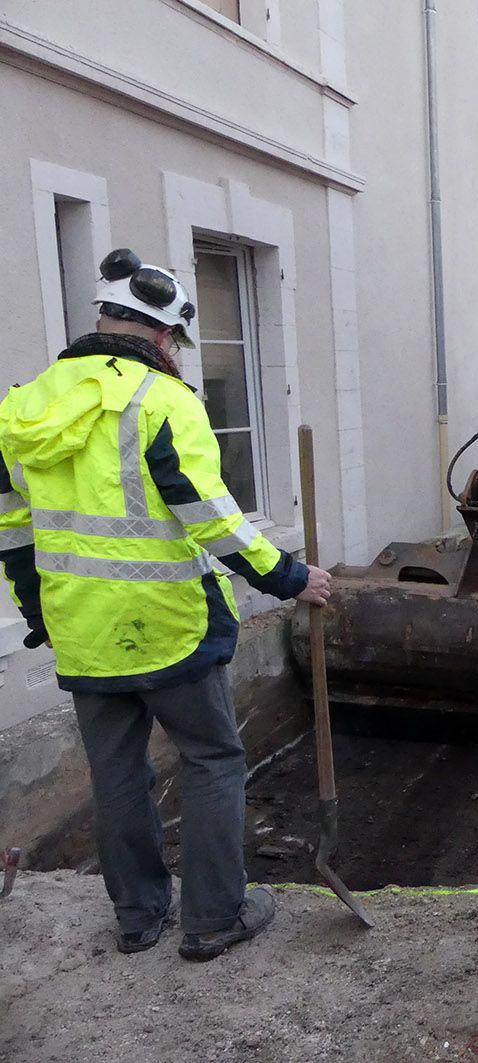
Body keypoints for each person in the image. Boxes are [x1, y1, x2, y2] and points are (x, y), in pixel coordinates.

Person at [0, 249, 332, 961]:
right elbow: (211, 517)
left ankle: (138, 915)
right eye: (176, 341)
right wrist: (291, 577)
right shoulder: (163, 401)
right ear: (162, 334)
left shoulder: (23, 403)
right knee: (212, 758)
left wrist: (39, 613)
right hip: (170, 627)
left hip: (82, 631)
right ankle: (214, 914)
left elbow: (12, 533)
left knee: (117, 773)